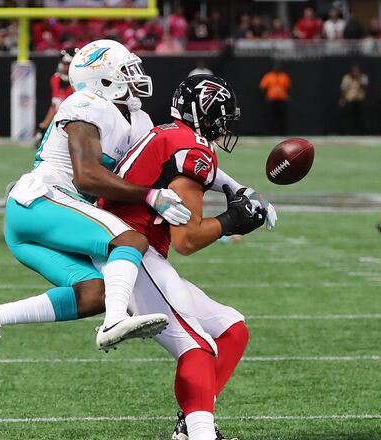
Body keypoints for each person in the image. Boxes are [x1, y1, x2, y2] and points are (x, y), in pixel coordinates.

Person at [0, 40, 192, 364]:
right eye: (126, 71)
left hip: (36, 223)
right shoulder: (86, 102)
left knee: (95, 293)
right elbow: (86, 176)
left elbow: (154, 174)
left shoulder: (138, 121)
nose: (135, 76)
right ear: (103, 78)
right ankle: (113, 321)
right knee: (129, 239)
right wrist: (150, 196)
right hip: (41, 200)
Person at [102, 74, 271, 440]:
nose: (222, 124)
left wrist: (238, 188)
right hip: (132, 255)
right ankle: (199, 433)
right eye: (217, 115)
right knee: (196, 346)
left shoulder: (173, 136)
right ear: (200, 113)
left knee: (231, 330)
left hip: (133, 252)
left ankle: (190, 424)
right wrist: (232, 221)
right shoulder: (191, 149)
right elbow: (186, 239)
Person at [35, 49, 74, 149]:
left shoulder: (78, 84)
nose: (66, 67)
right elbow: (55, 106)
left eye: (68, 64)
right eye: (64, 63)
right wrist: (42, 127)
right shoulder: (55, 79)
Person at [259, 62, 291, 135]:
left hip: (282, 100)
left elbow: (288, 87)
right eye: (275, 67)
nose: (277, 68)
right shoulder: (268, 76)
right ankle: (270, 133)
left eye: (278, 67)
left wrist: (287, 96)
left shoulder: (284, 76)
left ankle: (282, 133)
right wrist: (265, 97)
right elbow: (262, 87)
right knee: (271, 117)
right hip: (272, 100)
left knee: (282, 117)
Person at [340, 64, 368, 135]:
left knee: (360, 117)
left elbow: (365, 86)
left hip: (359, 100)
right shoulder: (347, 78)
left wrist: (358, 79)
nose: (355, 73)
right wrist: (342, 99)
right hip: (350, 100)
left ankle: (361, 132)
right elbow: (343, 89)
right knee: (349, 117)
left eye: (357, 71)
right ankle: (349, 132)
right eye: (354, 71)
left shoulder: (362, 77)